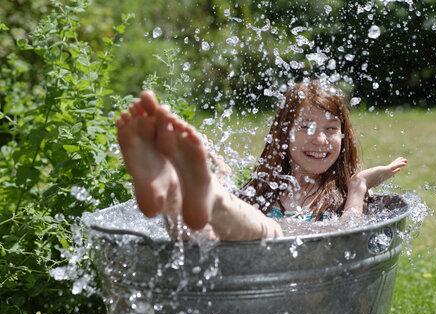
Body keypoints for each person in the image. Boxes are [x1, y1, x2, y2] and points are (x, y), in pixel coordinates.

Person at [116, 79, 407, 241]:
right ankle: (171, 191)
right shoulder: (266, 188)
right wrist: (222, 177)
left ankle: (206, 195)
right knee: (200, 238)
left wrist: (357, 186)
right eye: (305, 127)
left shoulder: (347, 194)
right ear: (283, 135)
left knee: (268, 233)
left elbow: (351, 240)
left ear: (344, 137)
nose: (320, 140)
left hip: (307, 283)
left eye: (331, 129)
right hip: (241, 276)